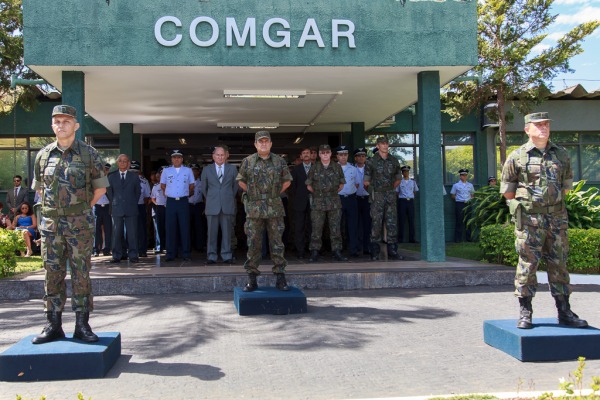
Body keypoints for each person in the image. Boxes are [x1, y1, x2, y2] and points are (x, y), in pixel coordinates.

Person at [500, 111, 587, 330]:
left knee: (559, 264)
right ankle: (525, 311)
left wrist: (551, 207)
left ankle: (564, 311)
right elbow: (508, 191)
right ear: (527, 129)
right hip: (530, 220)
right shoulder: (517, 156)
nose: (544, 128)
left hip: (557, 219)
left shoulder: (562, 154)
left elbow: (566, 187)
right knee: (528, 265)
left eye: (546, 124)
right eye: (538, 125)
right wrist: (529, 208)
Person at [31, 104, 109, 344]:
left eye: (66, 121)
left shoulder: (89, 154)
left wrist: (82, 209)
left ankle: (82, 324)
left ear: (75, 125)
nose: (61, 125)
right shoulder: (43, 155)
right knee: (51, 273)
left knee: (81, 273)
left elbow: (101, 188)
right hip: (51, 226)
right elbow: (40, 190)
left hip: (79, 226)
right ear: (52, 125)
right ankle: (53, 323)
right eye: (57, 121)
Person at [237, 131, 292, 292]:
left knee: (277, 243)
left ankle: (280, 277)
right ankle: (252, 278)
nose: (263, 144)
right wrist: (254, 195)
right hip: (254, 209)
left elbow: (287, 180)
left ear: (270, 143)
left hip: (274, 207)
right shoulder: (248, 161)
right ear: (255, 144)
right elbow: (240, 181)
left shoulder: (279, 161)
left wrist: (273, 194)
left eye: (266, 141)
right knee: (253, 243)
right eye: (260, 142)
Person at [306, 144, 347, 263]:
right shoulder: (314, 168)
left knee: (335, 229)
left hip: (334, 202)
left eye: (327, 152)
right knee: (316, 229)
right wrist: (320, 194)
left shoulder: (336, 167)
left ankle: (337, 251)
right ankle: (314, 252)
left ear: (330, 154)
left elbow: (341, 185)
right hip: (318, 203)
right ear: (319, 154)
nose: (325, 155)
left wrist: (330, 193)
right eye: (322, 153)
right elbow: (309, 185)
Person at [364, 136, 403, 261]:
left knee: (392, 223)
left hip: (390, 195)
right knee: (376, 223)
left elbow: (398, 178)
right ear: (377, 146)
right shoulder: (371, 161)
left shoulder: (394, 160)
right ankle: (374, 251)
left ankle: (392, 250)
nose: (385, 145)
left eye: (386, 143)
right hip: (377, 196)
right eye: (382, 144)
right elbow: (366, 182)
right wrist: (374, 192)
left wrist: (390, 189)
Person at [201, 146, 238, 264]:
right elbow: (204, 189)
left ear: (226, 155)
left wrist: (226, 197)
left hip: (227, 204)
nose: (220, 157)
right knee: (211, 233)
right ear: (213, 156)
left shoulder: (232, 169)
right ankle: (211, 256)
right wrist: (212, 199)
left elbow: (235, 187)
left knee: (227, 232)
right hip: (212, 205)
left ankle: (227, 255)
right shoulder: (207, 169)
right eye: (218, 155)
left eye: (222, 155)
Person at [160, 149, 195, 262]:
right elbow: (163, 185)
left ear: (182, 159)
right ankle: (170, 253)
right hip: (171, 202)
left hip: (183, 201)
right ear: (171, 159)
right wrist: (170, 194)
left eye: (179, 157)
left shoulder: (188, 170)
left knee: (185, 227)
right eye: (174, 157)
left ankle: (186, 253)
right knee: (170, 228)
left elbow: (191, 186)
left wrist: (184, 194)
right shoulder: (166, 171)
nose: (176, 159)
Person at [107, 154, 141, 264]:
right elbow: (109, 193)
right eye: (120, 161)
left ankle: (133, 255)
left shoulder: (134, 176)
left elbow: (138, 192)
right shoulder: (111, 176)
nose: (122, 163)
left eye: (125, 161)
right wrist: (116, 202)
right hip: (117, 208)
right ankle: (117, 255)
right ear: (117, 163)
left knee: (132, 234)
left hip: (131, 208)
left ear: (128, 163)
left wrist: (131, 202)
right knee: (116, 233)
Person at [336, 145, 361, 257]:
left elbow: (356, 184)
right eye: (341, 155)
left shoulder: (353, 169)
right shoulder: (333, 168)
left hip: (351, 199)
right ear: (337, 156)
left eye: (345, 155)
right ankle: (338, 249)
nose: (343, 157)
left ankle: (353, 249)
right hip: (338, 199)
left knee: (353, 225)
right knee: (337, 225)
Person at [290, 146, 313, 259]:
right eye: (304, 153)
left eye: (307, 152)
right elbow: (292, 188)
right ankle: (300, 250)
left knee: (313, 226)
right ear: (301, 156)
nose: (306, 154)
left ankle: (313, 250)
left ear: (311, 154)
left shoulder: (316, 167)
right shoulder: (296, 169)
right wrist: (295, 201)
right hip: (300, 202)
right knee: (299, 227)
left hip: (315, 202)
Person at [131, 161, 151, 258]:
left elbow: (147, 196)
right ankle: (130, 250)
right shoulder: (125, 179)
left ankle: (142, 250)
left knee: (141, 229)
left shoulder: (144, 181)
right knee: (129, 230)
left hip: (140, 206)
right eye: (132, 171)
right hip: (128, 207)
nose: (134, 173)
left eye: (136, 171)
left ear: (139, 171)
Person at [354, 147, 371, 255]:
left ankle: (366, 247)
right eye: (359, 156)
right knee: (356, 225)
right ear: (355, 158)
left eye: (363, 156)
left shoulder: (370, 169)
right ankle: (357, 247)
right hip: (355, 199)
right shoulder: (351, 169)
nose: (361, 158)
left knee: (367, 224)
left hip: (367, 199)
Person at [93, 163, 112, 257]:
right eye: (104, 169)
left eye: (107, 170)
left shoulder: (111, 179)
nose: (105, 171)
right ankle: (96, 249)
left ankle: (107, 248)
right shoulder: (95, 179)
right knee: (96, 229)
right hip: (97, 206)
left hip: (107, 206)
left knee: (108, 229)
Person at [450, 169, 474, 243]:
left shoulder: (470, 185)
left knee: (468, 221)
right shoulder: (456, 185)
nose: (464, 176)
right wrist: (458, 199)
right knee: (459, 221)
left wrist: (470, 199)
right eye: (463, 175)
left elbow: (473, 194)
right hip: (459, 204)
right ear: (460, 176)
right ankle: (458, 239)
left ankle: (469, 238)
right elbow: (452, 195)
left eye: (465, 175)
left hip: (468, 204)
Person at [396, 165, 419, 243]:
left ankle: (412, 238)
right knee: (401, 220)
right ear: (402, 173)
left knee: (411, 220)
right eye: (404, 171)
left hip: (410, 201)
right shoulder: (399, 182)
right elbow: (397, 192)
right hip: (402, 201)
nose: (406, 173)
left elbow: (415, 191)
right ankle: (400, 239)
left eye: (407, 171)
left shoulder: (412, 182)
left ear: (409, 172)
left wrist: (410, 197)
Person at [188, 163, 206, 253]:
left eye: (196, 170)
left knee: (199, 226)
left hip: (198, 205)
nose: (194, 172)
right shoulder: (186, 181)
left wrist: (205, 207)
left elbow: (205, 195)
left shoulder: (202, 182)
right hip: (188, 205)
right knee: (188, 227)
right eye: (192, 170)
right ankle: (188, 246)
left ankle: (199, 245)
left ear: (199, 172)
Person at [151, 167, 167, 254]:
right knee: (159, 228)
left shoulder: (171, 184)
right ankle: (159, 247)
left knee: (168, 228)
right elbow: (152, 198)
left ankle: (168, 246)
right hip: (160, 208)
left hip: (169, 208)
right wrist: (157, 204)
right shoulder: (156, 186)